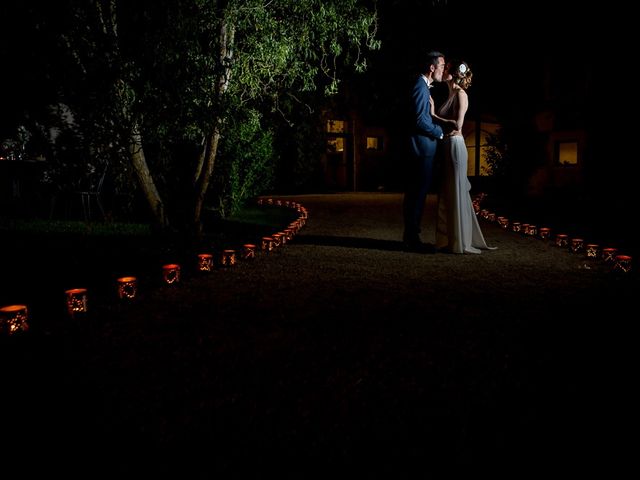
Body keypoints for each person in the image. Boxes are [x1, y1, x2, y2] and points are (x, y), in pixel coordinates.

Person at [432, 60, 495, 254]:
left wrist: (433, 114)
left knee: (456, 191)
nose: (444, 71)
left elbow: (457, 125)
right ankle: (448, 239)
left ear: (455, 74)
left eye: (448, 69)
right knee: (447, 192)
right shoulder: (451, 94)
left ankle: (460, 241)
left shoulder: (461, 95)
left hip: (455, 147)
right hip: (447, 147)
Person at [402, 51, 447, 252]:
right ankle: (412, 239)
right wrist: (439, 132)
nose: (443, 70)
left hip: (421, 150)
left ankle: (411, 237)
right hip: (421, 150)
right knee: (417, 195)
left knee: (416, 195)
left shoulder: (422, 86)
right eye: (442, 66)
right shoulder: (420, 87)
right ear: (432, 67)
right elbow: (420, 120)